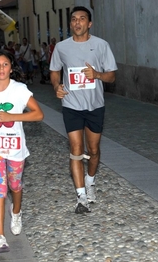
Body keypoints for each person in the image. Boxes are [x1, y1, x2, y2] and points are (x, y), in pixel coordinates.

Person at [0, 49, 44, 253]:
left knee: (15, 185)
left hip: (15, 147)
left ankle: (16, 212)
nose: (2, 68)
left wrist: (12, 117)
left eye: (5, 64)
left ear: (11, 68)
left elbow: (39, 114)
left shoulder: (20, 90)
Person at [50, 6, 117, 214]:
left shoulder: (101, 45)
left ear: (89, 23)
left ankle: (90, 182)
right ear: (70, 24)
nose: (77, 22)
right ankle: (81, 197)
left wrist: (97, 74)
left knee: (93, 150)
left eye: (82, 19)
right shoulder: (61, 47)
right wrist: (56, 87)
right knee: (76, 149)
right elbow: (54, 71)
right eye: (73, 19)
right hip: (71, 105)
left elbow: (112, 76)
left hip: (95, 105)